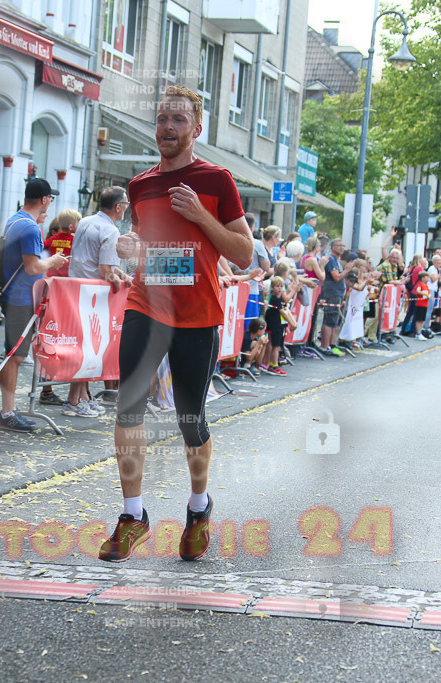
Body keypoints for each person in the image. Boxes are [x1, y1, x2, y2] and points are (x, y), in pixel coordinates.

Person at [99, 86, 252, 563]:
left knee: (191, 419)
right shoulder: (140, 185)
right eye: (162, 118)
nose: (167, 127)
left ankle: (199, 507)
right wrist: (133, 248)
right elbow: (156, 249)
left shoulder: (217, 180)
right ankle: (132, 515)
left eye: (179, 120)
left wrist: (203, 214)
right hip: (147, 304)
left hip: (197, 314)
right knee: (129, 406)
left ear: (196, 129)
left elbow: (244, 253)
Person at [0, 178, 68, 432]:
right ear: (44, 200)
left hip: (16, 297)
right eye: (51, 199)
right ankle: (7, 412)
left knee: (13, 355)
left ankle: (8, 410)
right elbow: (33, 266)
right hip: (21, 299)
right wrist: (54, 261)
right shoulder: (30, 228)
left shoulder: (17, 219)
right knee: (15, 356)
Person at [64, 187, 133, 418]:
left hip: (76, 288)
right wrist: (117, 282)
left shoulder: (85, 221)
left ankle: (83, 396)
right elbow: (105, 270)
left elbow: (96, 261)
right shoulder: (110, 230)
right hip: (94, 296)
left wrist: (121, 275)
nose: (126, 207)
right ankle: (74, 399)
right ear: (118, 207)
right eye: (125, 203)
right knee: (89, 349)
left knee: (85, 346)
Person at [319, 238, 355, 356]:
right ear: (332, 246)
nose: (342, 248)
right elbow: (337, 277)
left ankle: (331, 345)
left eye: (343, 245)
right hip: (332, 293)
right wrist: (347, 270)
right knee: (329, 320)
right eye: (339, 245)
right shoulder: (331, 259)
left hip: (338, 293)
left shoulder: (337, 260)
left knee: (335, 321)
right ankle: (325, 346)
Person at [43, 209, 79, 278]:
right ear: (71, 227)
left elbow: (42, 246)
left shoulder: (52, 239)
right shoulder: (74, 240)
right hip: (67, 274)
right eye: (78, 224)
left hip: (52, 273)